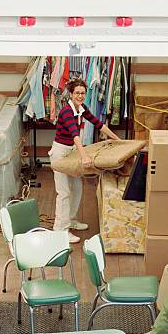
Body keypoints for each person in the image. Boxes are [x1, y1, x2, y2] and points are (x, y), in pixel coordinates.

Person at [49, 78, 120, 244]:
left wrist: (117, 139)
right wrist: (84, 157)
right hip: (60, 153)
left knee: (77, 187)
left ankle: (71, 219)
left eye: (82, 93)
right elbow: (75, 135)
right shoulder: (67, 112)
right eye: (77, 93)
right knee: (64, 192)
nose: (80, 96)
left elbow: (98, 124)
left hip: (72, 152)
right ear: (71, 95)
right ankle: (60, 230)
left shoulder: (81, 108)